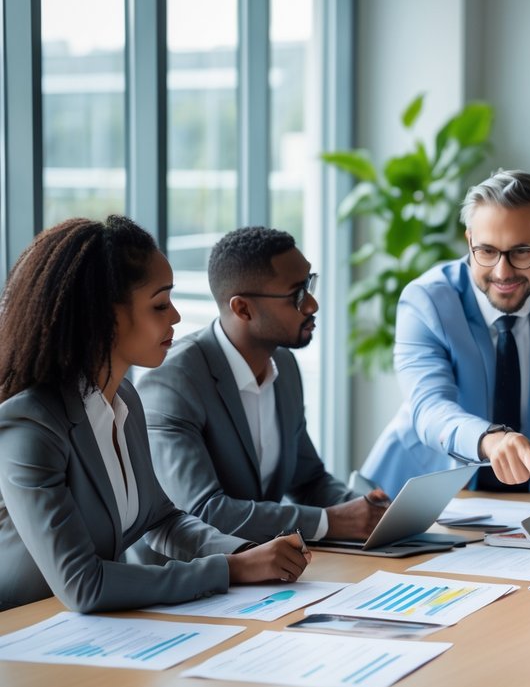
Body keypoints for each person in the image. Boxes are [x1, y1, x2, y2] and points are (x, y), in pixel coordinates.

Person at [0, 217, 308, 613]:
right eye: (160, 304)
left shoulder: (123, 397)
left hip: (89, 636)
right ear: (104, 317)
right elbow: (84, 584)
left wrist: (252, 553)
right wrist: (230, 569)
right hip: (21, 636)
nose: (176, 317)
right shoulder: (30, 425)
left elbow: (161, 521)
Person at [359, 169, 530, 496]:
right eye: (487, 251)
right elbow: (430, 408)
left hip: (526, 486)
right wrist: (489, 440)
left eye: (521, 252)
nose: (502, 271)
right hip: (415, 490)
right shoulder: (426, 301)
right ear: (469, 242)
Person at [137, 226, 386, 544]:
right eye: (296, 294)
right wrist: (328, 522)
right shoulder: (173, 384)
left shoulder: (283, 364)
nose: (311, 305)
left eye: (309, 285)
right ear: (242, 308)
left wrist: (367, 509)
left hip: (265, 573)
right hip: (185, 582)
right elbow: (203, 512)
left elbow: (308, 480)